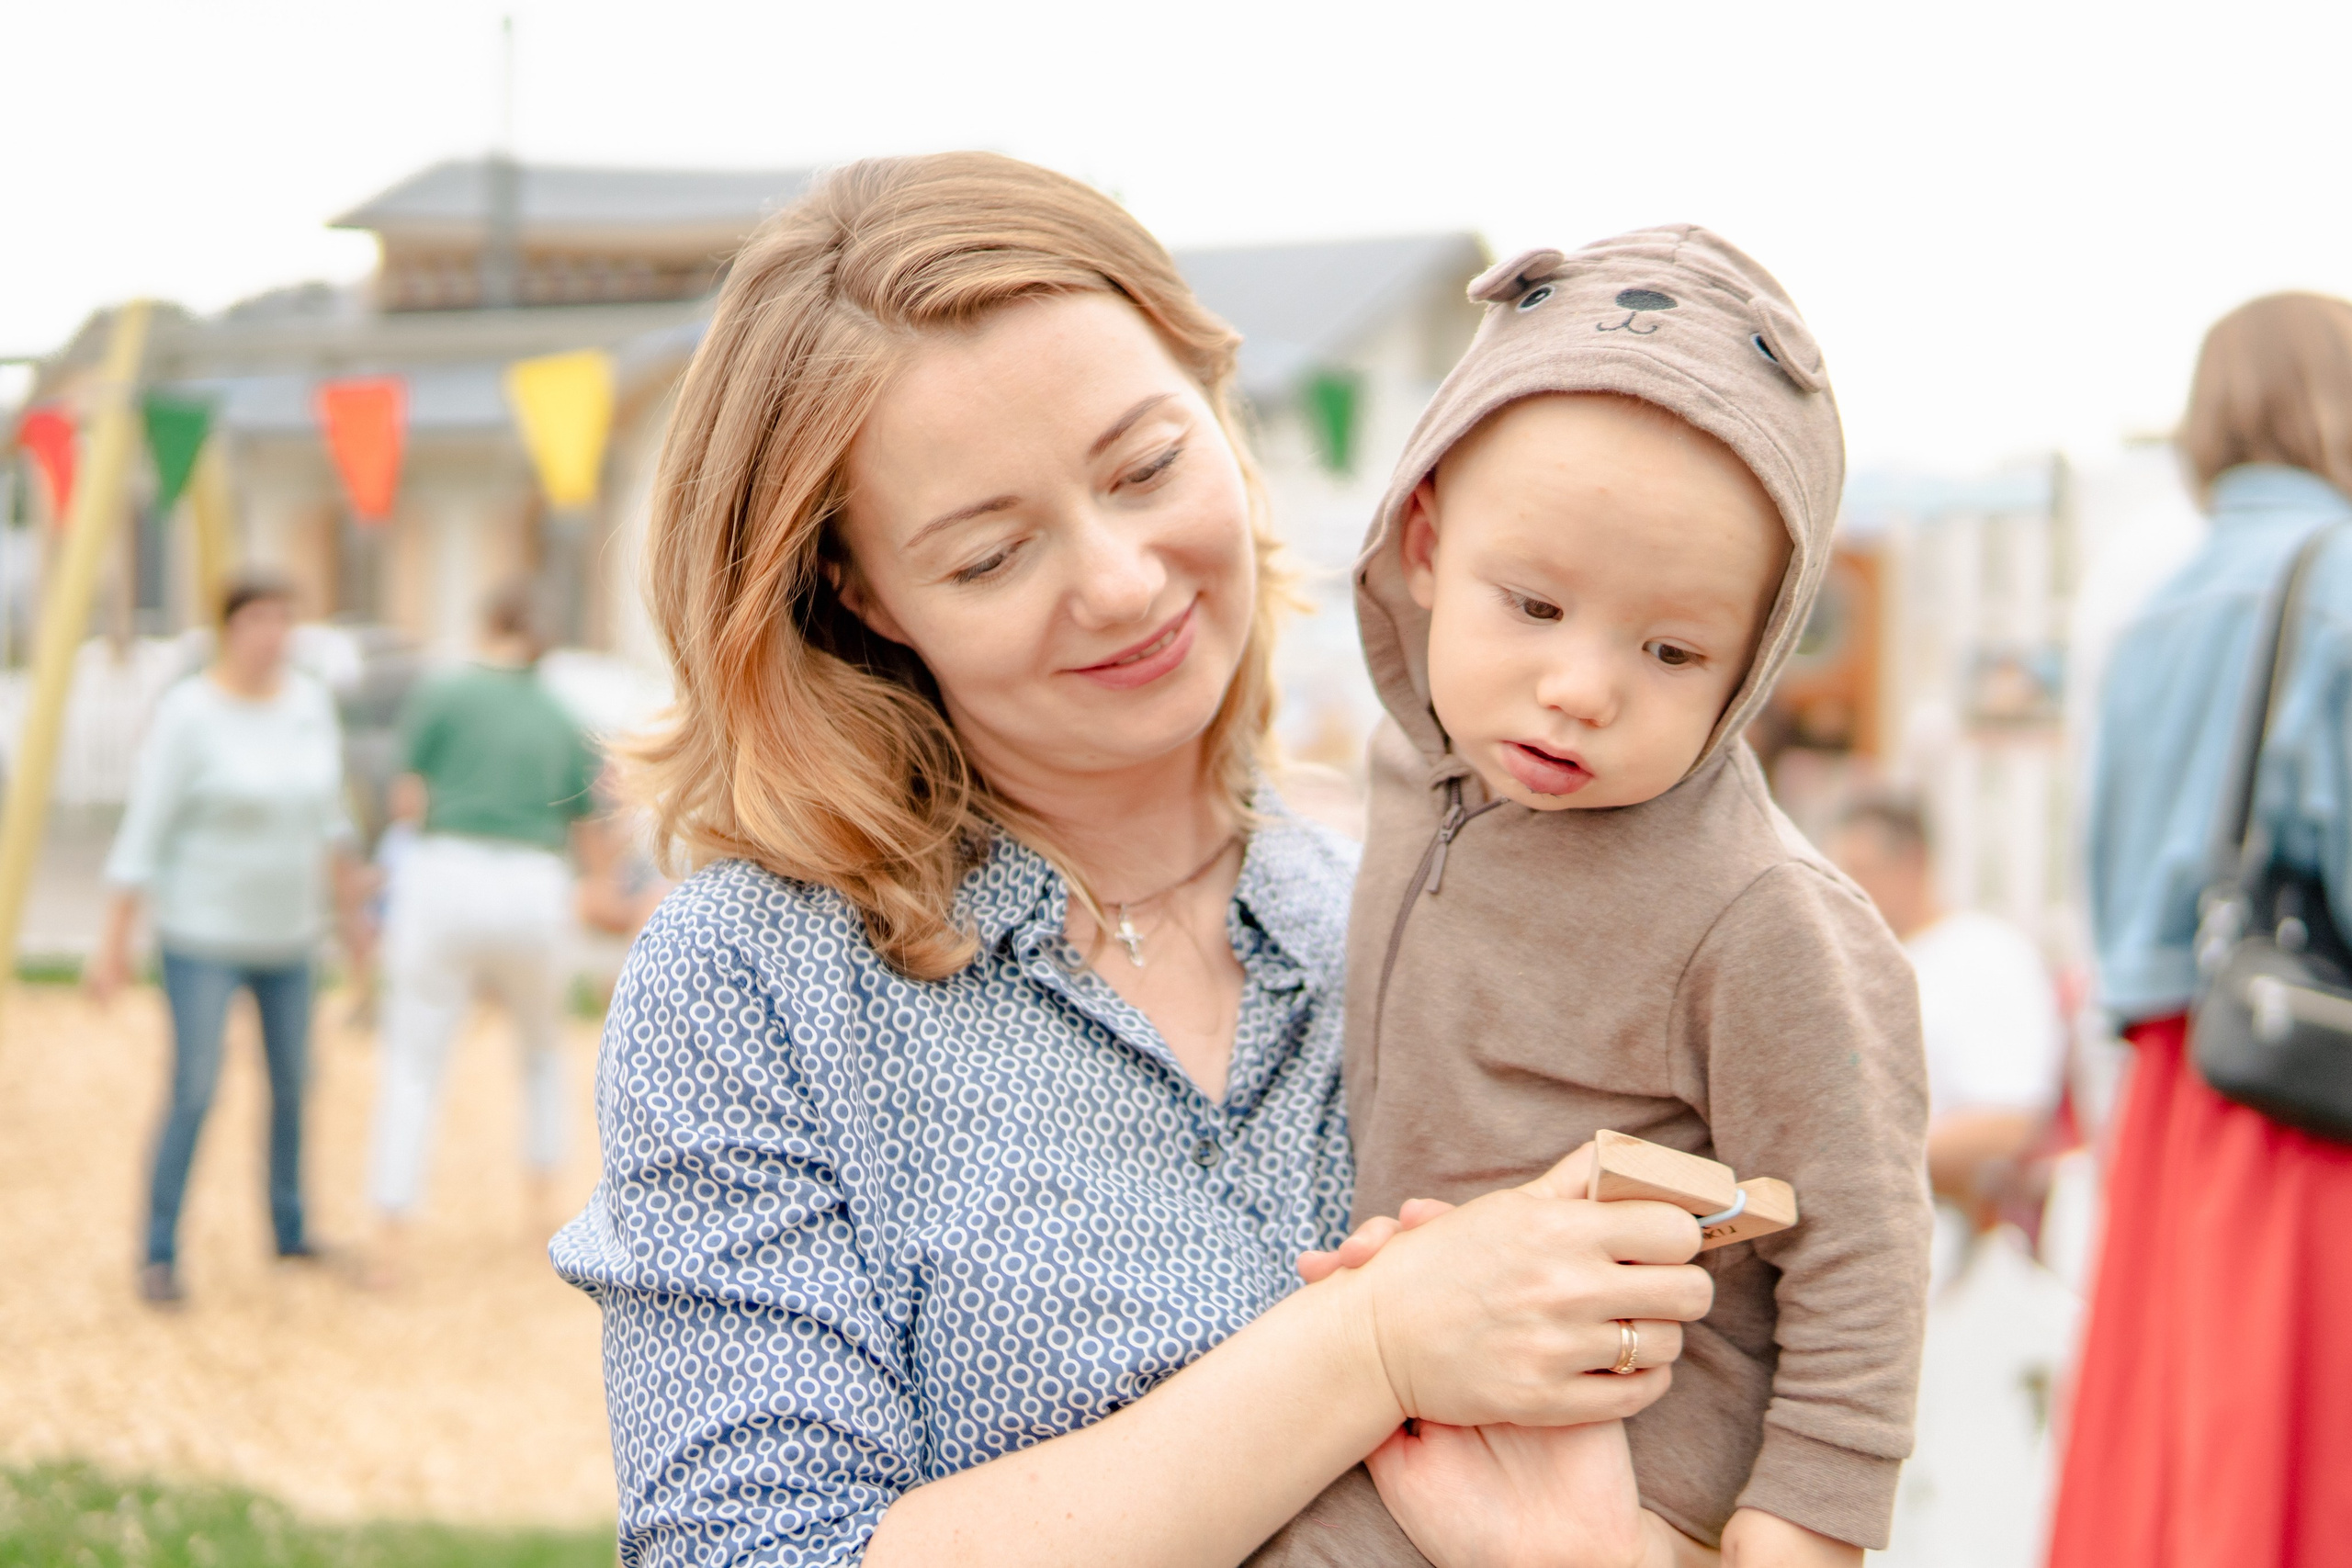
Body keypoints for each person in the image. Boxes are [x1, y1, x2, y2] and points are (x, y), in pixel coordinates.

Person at [551, 152, 1720, 1568]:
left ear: (1218, 404)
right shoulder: (757, 978)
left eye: (1148, 465)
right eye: (989, 554)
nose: (1117, 580)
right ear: (859, 594)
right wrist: (1370, 1344)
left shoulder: (1419, 919)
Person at [1256, 231, 1931, 1567]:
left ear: (1750, 657)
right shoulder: (1412, 773)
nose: (1582, 686)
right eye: (1536, 602)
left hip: (1635, 1481)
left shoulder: (1758, 912)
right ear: (1429, 540)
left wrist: (1792, 1539)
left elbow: (1868, 1249)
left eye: (1671, 648)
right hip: (1416, 1398)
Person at [2052, 293, 2352, 1565]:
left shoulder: (2150, 597)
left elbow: (2101, 872)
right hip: (2311, 1079)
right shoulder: (2337, 572)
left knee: (2175, 1468)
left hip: (2183, 1074)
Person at [91, 570, 364, 1306]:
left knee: (294, 1082)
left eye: (284, 620)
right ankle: (158, 1250)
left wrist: (355, 927)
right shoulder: (190, 713)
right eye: (259, 620)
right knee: (195, 1085)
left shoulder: (308, 703)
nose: (273, 635)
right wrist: (113, 943)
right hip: (201, 933)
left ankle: (290, 1226)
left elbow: (333, 820)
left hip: (289, 935)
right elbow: (146, 826)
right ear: (230, 630)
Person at [365, 581, 598, 1283]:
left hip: (448, 871)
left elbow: (408, 798)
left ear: (486, 622)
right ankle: (542, 1207)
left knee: (414, 1059)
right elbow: (589, 828)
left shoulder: (446, 693)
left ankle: (392, 1231)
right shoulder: (562, 714)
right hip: (534, 882)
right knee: (539, 1052)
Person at [1828, 795, 2064, 1218]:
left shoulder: (1985, 956)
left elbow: (2007, 1123)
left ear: (1913, 863)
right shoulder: (1857, 959)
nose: (1845, 887)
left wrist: (1853, 1165)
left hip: (1946, 1217)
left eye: (1861, 870)